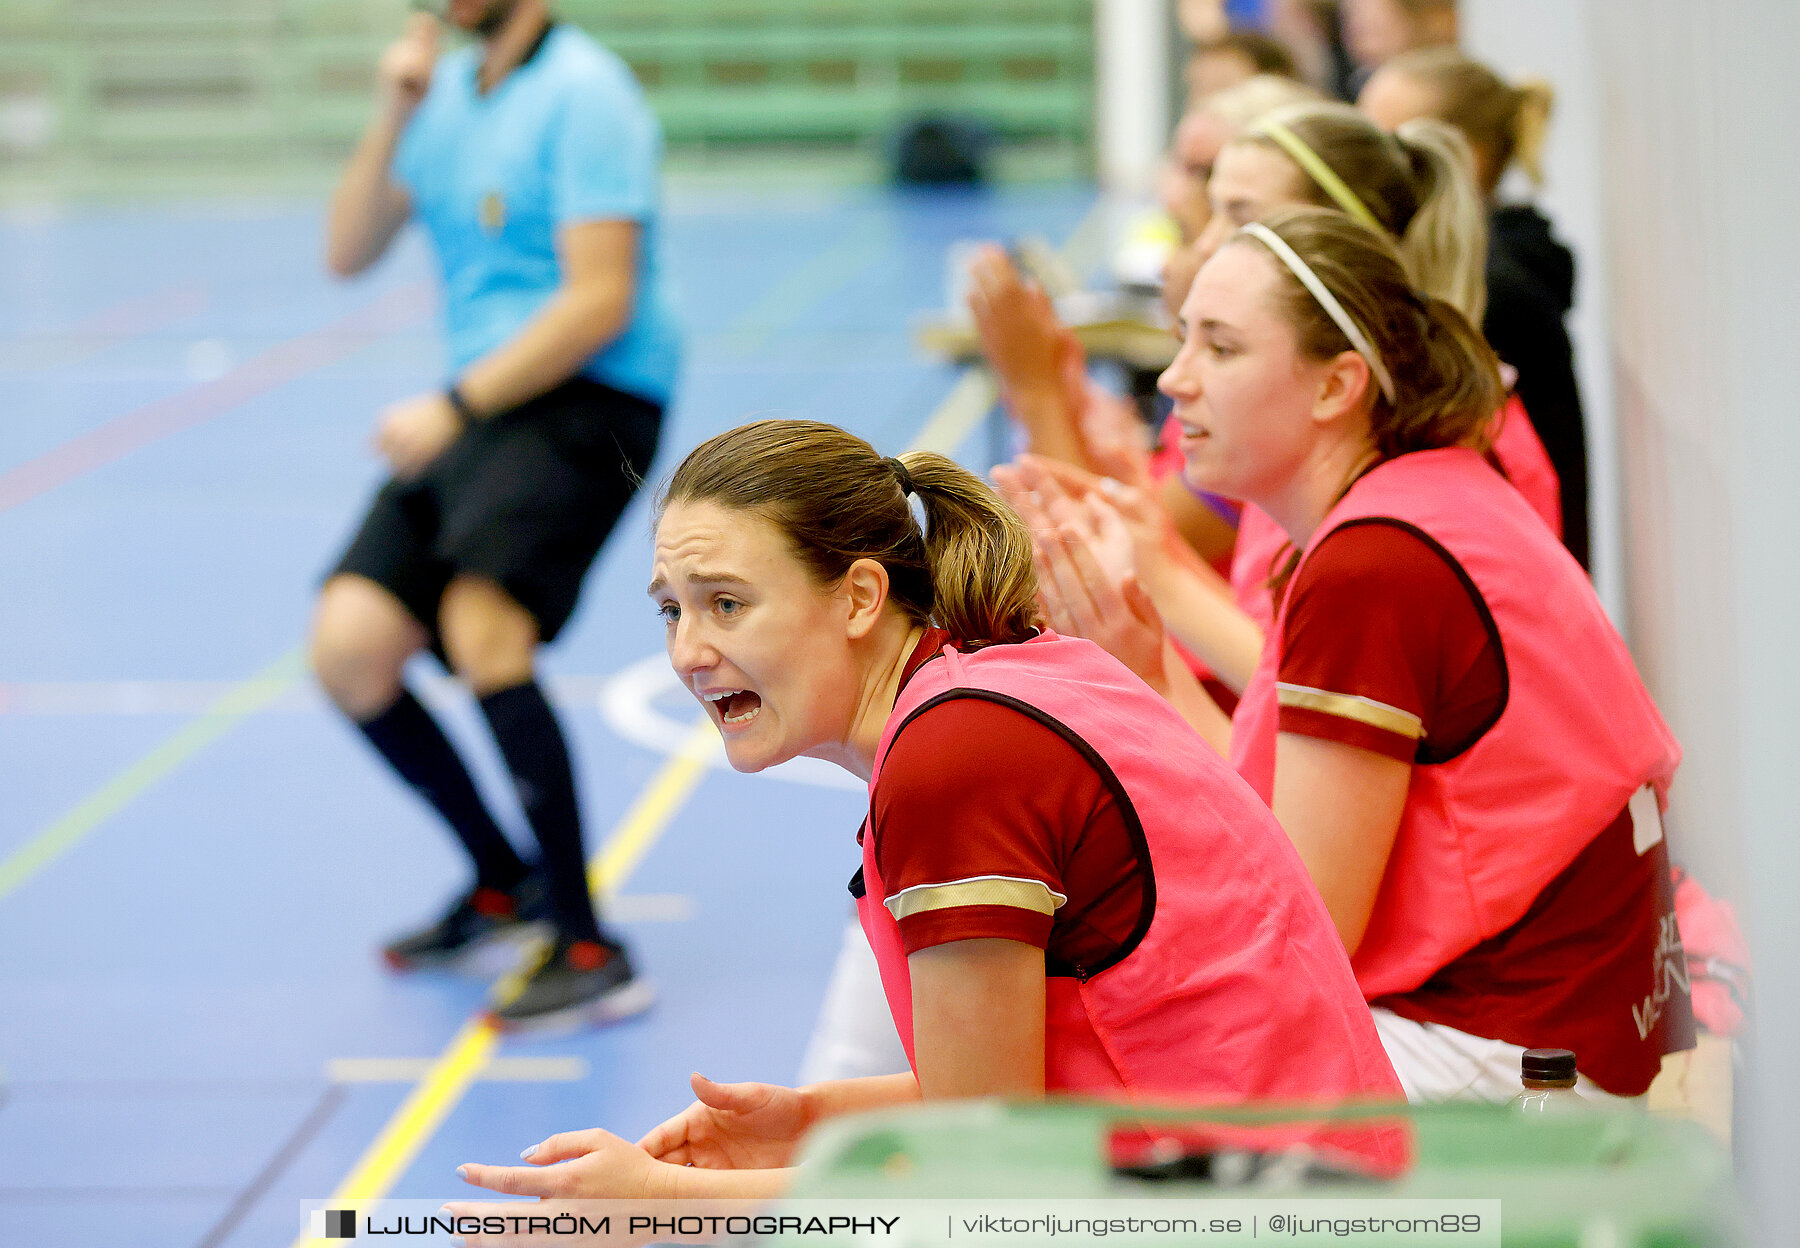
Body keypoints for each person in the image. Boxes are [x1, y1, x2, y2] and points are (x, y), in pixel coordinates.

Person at [451, 419, 1403, 1205]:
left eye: (727, 604)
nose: (689, 651)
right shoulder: (996, 683)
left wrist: (662, 1210)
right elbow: (1049, 1083)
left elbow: (983, 1184)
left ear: (862, 595)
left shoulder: (957, 760)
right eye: (671, 610)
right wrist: (819, 1122)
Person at [1031, 207, 1694, 1102]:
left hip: (1514, 1053)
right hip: (1587, 1019)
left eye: (1221, 349)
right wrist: (1148, 671)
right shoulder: (1424, 495)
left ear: (1338, 385)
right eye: (1184, 341)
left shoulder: (1371, 567)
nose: (1178, 380)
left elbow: (1305, 931)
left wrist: (1139, 687)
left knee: (1080, 1079)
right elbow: (1273, 820)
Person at [309, 0, 678, 1028]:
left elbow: (601, 299)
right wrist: (393, 110)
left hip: (592, 393)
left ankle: (591, 943)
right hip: (480, 399)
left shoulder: (587, 93)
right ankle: (500, 880)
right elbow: (348, 248)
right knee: (349, 645)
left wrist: (456, 405)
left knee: (485, 627)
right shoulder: (445, 97)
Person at [1360, 48, 1591, 568]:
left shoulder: (1492, 294)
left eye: (1382, 146)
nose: (1359, 167)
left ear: (1458, 155)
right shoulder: (1495, 276)